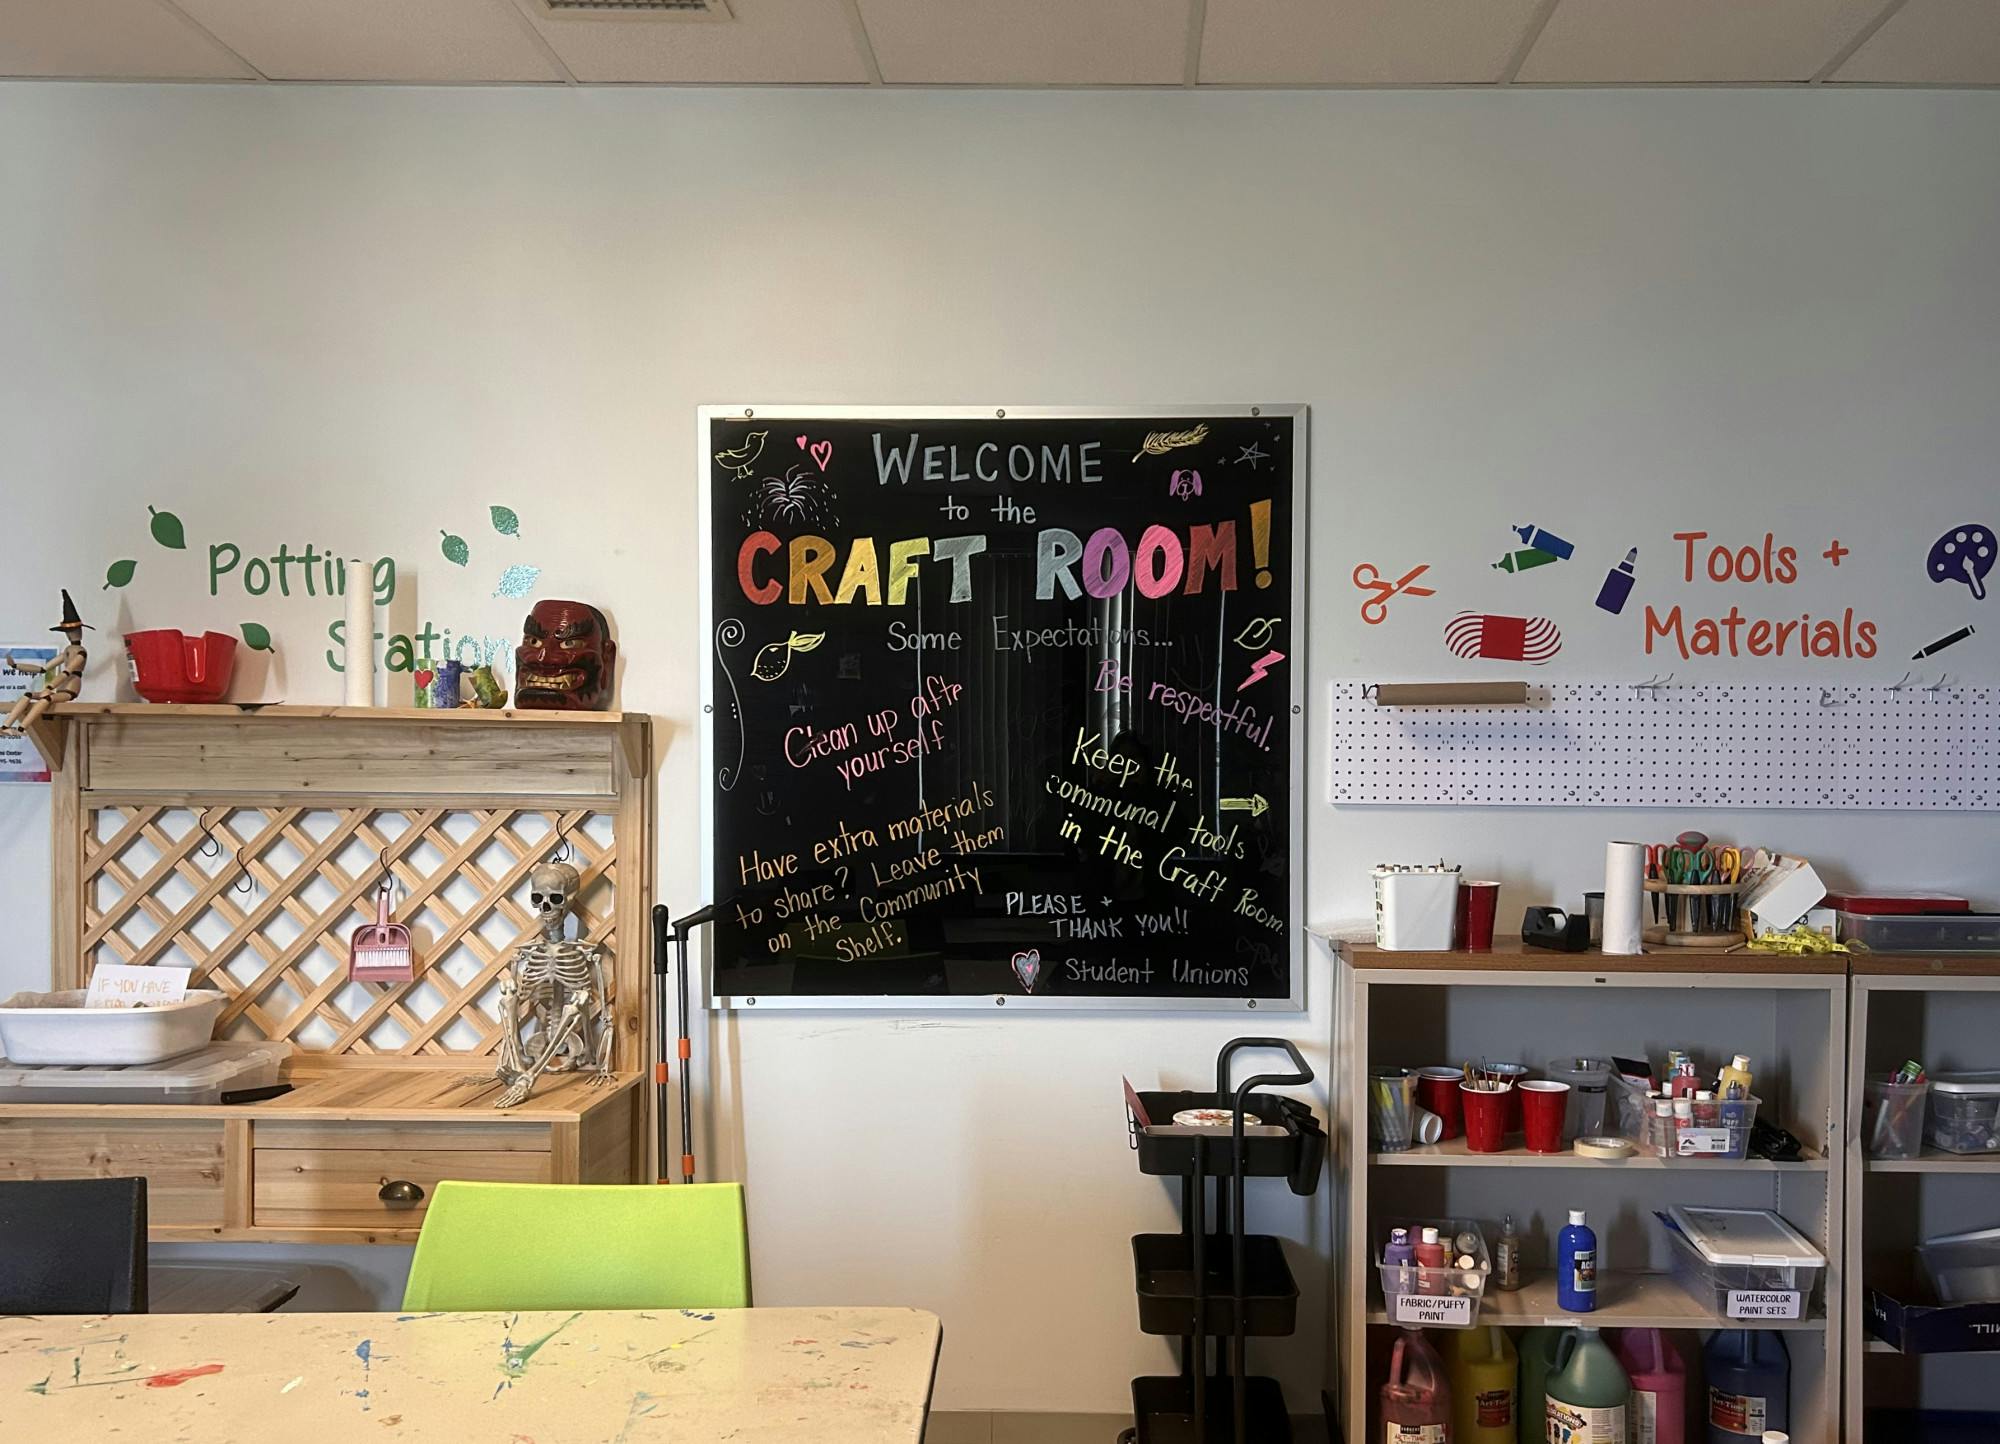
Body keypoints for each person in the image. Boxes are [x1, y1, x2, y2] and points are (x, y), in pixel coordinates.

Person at [1, 590, 91, 737]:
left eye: (73, 631)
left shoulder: (81, 652)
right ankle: (5, 726)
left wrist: (49, 687)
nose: (71, 634)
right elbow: (43, 669)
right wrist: (16, 666)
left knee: (46, 699)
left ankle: (21, 729)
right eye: (68, 632)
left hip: (71, 688)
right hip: (59, 687)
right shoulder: (68, 650)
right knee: (28, 695)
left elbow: (67, 671)